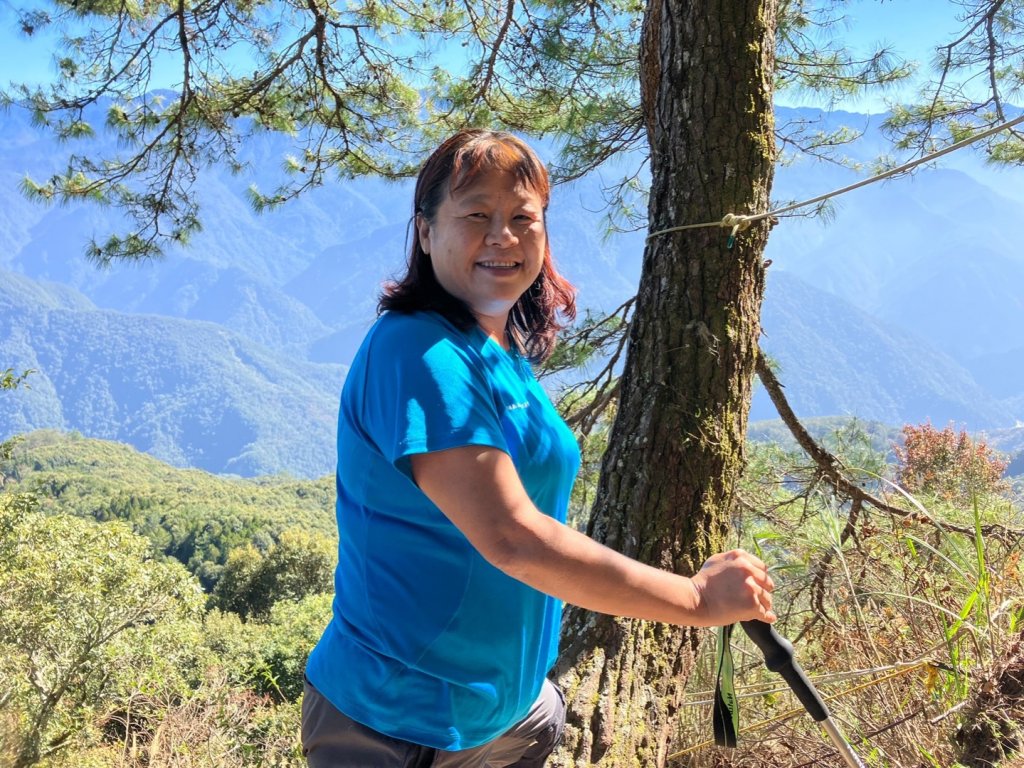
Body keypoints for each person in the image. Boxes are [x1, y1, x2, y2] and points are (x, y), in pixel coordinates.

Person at [301, 129, 776, 768]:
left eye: (523, 218)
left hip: (505, 713)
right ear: (424, 232)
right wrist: (694, 600)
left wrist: (535, 703)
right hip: (401, 723)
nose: (503, 236)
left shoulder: (494, 351)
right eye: (475, 215)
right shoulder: (420, 353)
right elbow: (512, 538)